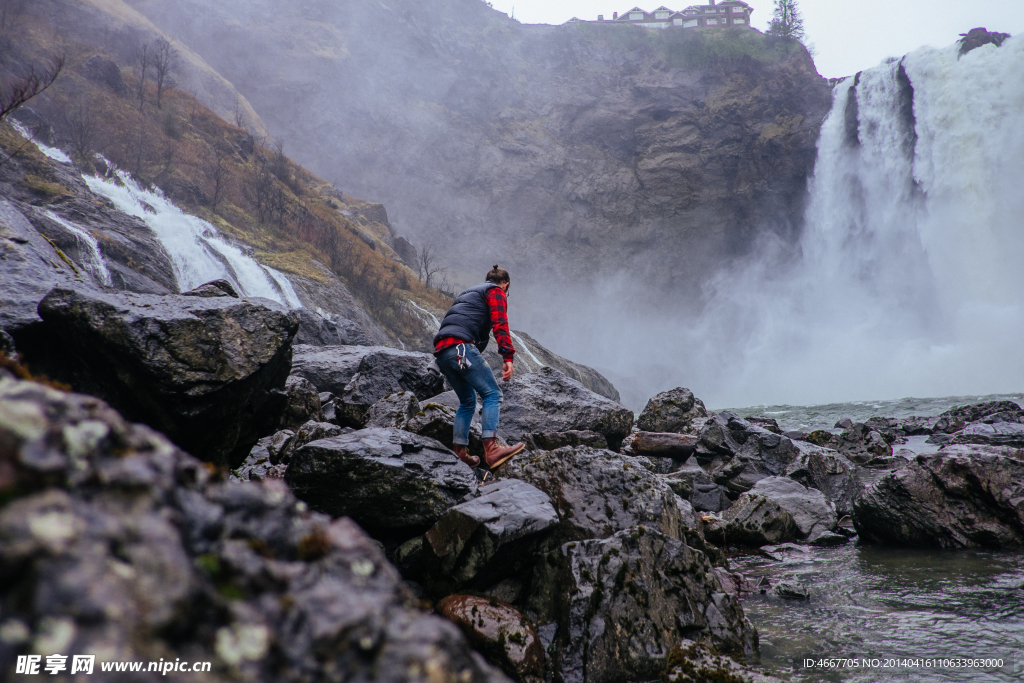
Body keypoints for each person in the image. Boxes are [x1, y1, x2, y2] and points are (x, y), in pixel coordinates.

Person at [433, 264, 526, 469]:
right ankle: (492, 451)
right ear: (505, 285)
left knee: (467, 401)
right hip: (461, 349)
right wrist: (508, 357)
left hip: (443, 352)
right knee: (492, 394)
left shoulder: (468, 294)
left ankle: (460, 452)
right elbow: (500, 323)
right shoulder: (496, 292)